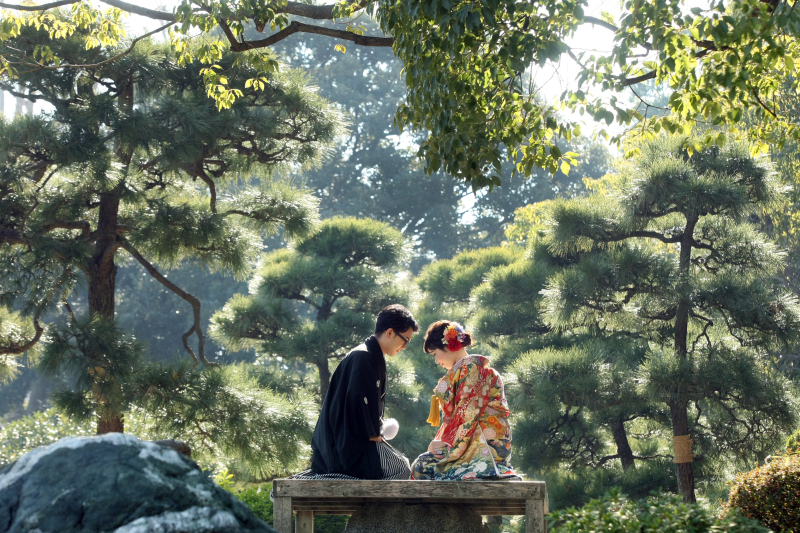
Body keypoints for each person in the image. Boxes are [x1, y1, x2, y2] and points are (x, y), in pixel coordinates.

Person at [293, 304, 419, 480]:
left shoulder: (369, 355)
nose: (405, 346)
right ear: (390, 333)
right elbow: (356, 403)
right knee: (401, 469)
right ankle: (370, 507)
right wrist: (373, 433)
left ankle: (371, 507)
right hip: (344, 446)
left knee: (401, 466)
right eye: (405, 339)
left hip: (353, 441)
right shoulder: (363, 356)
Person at [412, 320, 519, 480]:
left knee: (423, 466)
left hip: (485, 443)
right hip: (474, 439)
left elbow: (467, 414)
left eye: (435, 354)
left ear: (448, 346)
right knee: (425, 463)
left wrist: (445, 443)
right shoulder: (465, 371)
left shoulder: (473, 370)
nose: (436, 361)